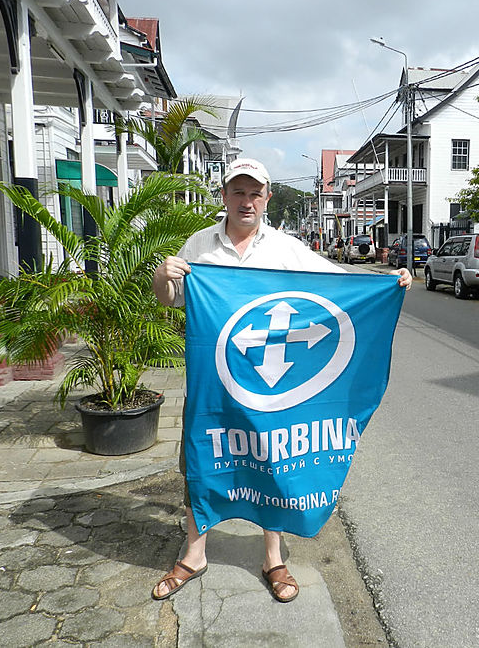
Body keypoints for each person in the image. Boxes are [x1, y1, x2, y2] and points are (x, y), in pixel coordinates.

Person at [151, 158, 411, 603]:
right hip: (218, 383)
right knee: (203, 460)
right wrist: (162, 277)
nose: (246, 201)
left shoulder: (286, 248)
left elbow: (336, 283)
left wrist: (386, 281)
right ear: (225, 196)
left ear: (267, 198)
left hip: (275, 388)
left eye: (255, 193)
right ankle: (195, 555)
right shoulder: (200, 246)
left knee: (271, 461)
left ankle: (273, 557)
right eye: (238, 191)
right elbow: (172, 300)